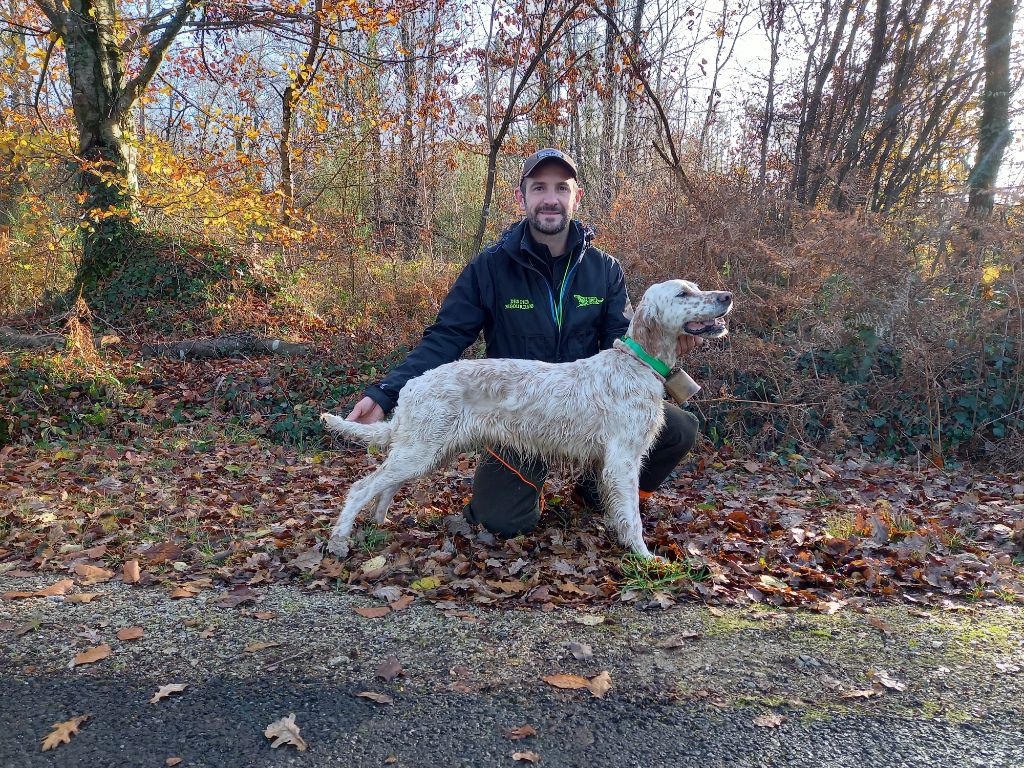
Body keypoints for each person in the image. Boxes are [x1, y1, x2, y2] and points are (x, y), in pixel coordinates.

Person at [344, 147, 702, 538]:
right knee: (503, 522)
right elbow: (445, 338)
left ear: (575, 197)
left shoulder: (605, 270)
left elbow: (624, 349)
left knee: (677, 427)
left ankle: (596, 495)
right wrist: (385, 394)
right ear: (522, 197)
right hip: (516, 417)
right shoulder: (490, 267)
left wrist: (668, 345)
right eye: (539, 188)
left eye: (561, 188)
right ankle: (528, 488)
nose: (550, 199)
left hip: (587, 412)